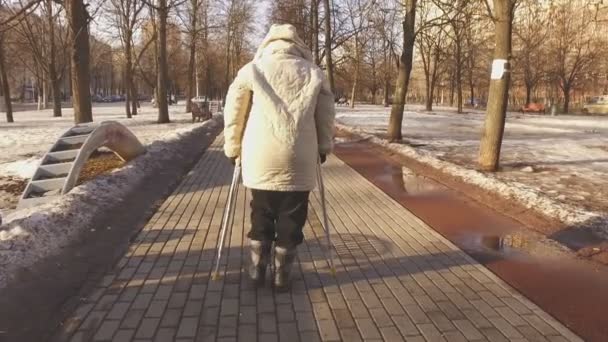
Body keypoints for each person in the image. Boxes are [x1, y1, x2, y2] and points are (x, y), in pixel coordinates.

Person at [223, 24, 335, 291]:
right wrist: (323, 147)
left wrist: (232, 147)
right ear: (298, 45)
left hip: (261, 155)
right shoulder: (314, 73)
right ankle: (282, 276)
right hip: (300, 155)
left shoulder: (253, 69)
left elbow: (234, 110)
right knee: (292, 215)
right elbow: (326, 115)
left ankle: (255, 271)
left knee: (261, 210)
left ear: (268, 43)